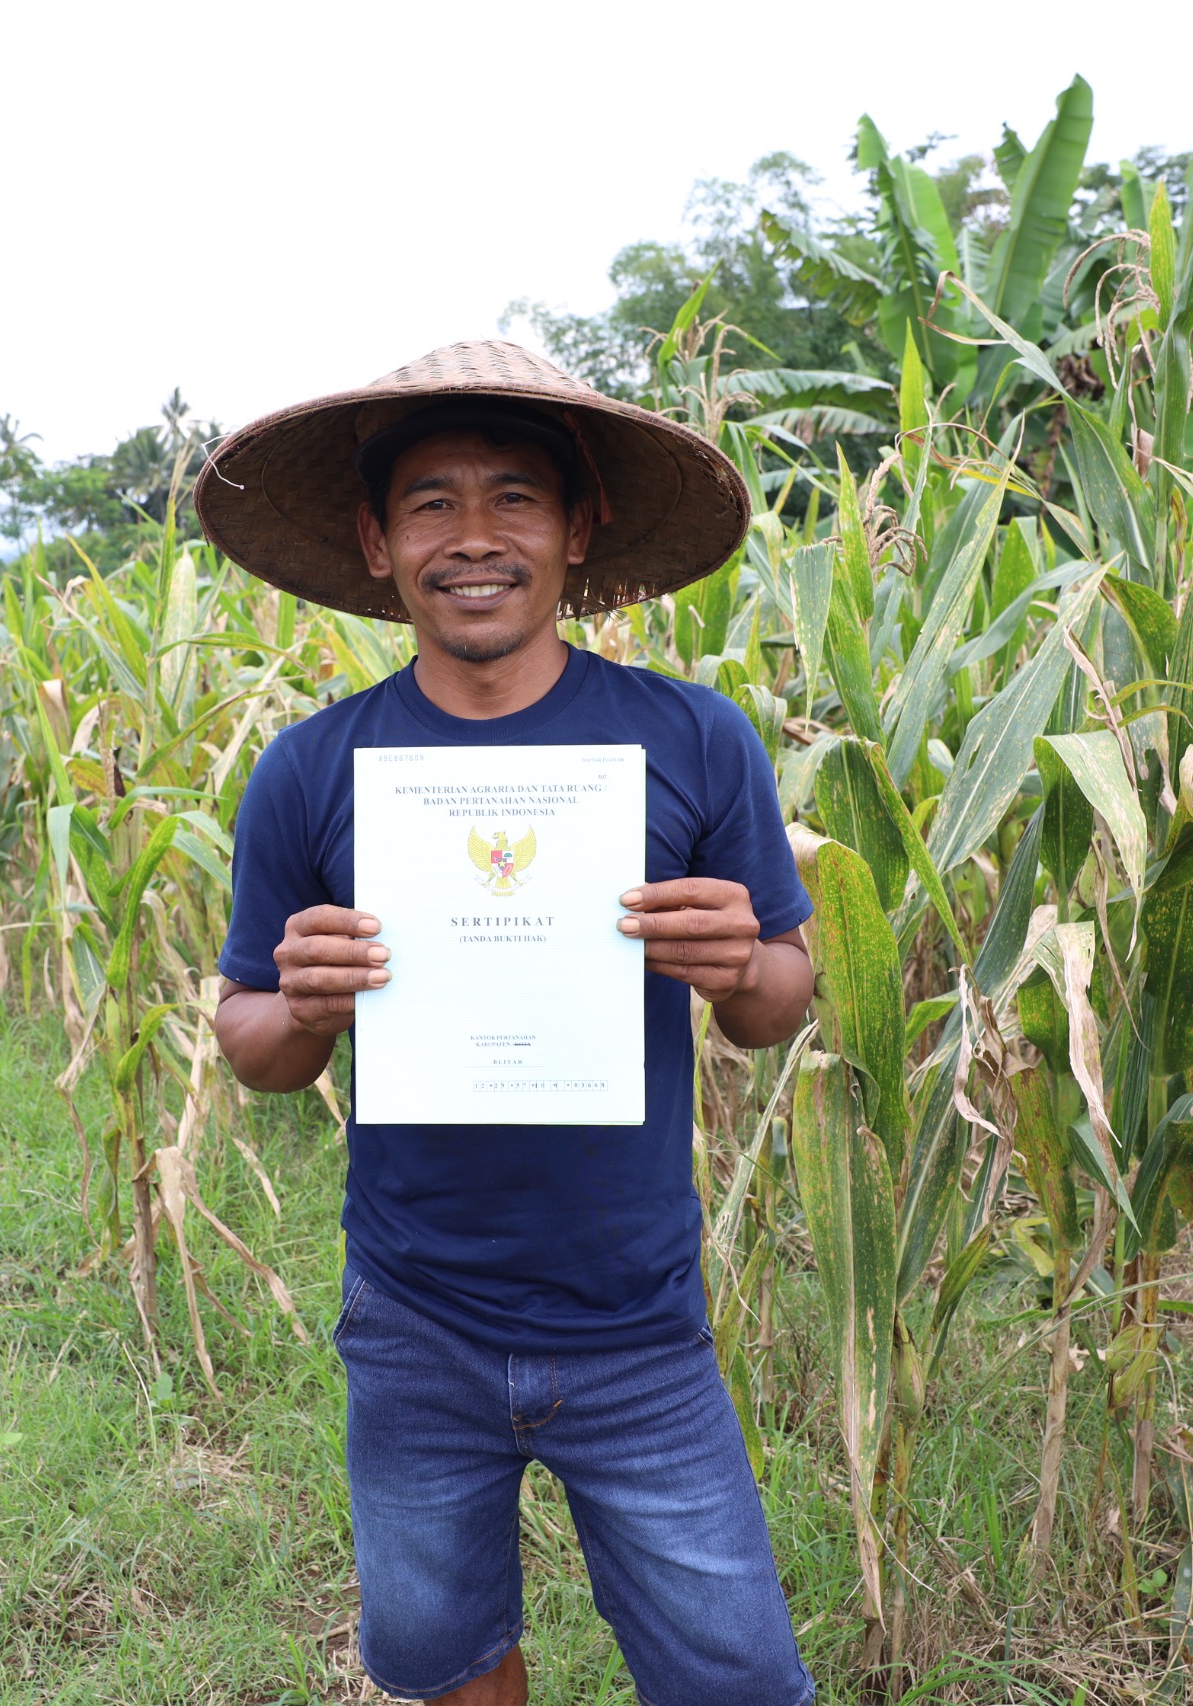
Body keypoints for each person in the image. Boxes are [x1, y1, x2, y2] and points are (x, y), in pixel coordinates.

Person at [198, 342, 816, 1706]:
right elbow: (251, 1040)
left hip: (637, 1317)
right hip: (415, 1317)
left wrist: (738, 966)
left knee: (737, 1678)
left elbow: (781, 998)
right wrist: (302, 1004)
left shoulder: (694, 739)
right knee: (448, 1657)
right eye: (431, 503)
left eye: (515, 498)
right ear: (378, 543)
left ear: (577, 529)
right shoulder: (313, 769)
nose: (473, 538)